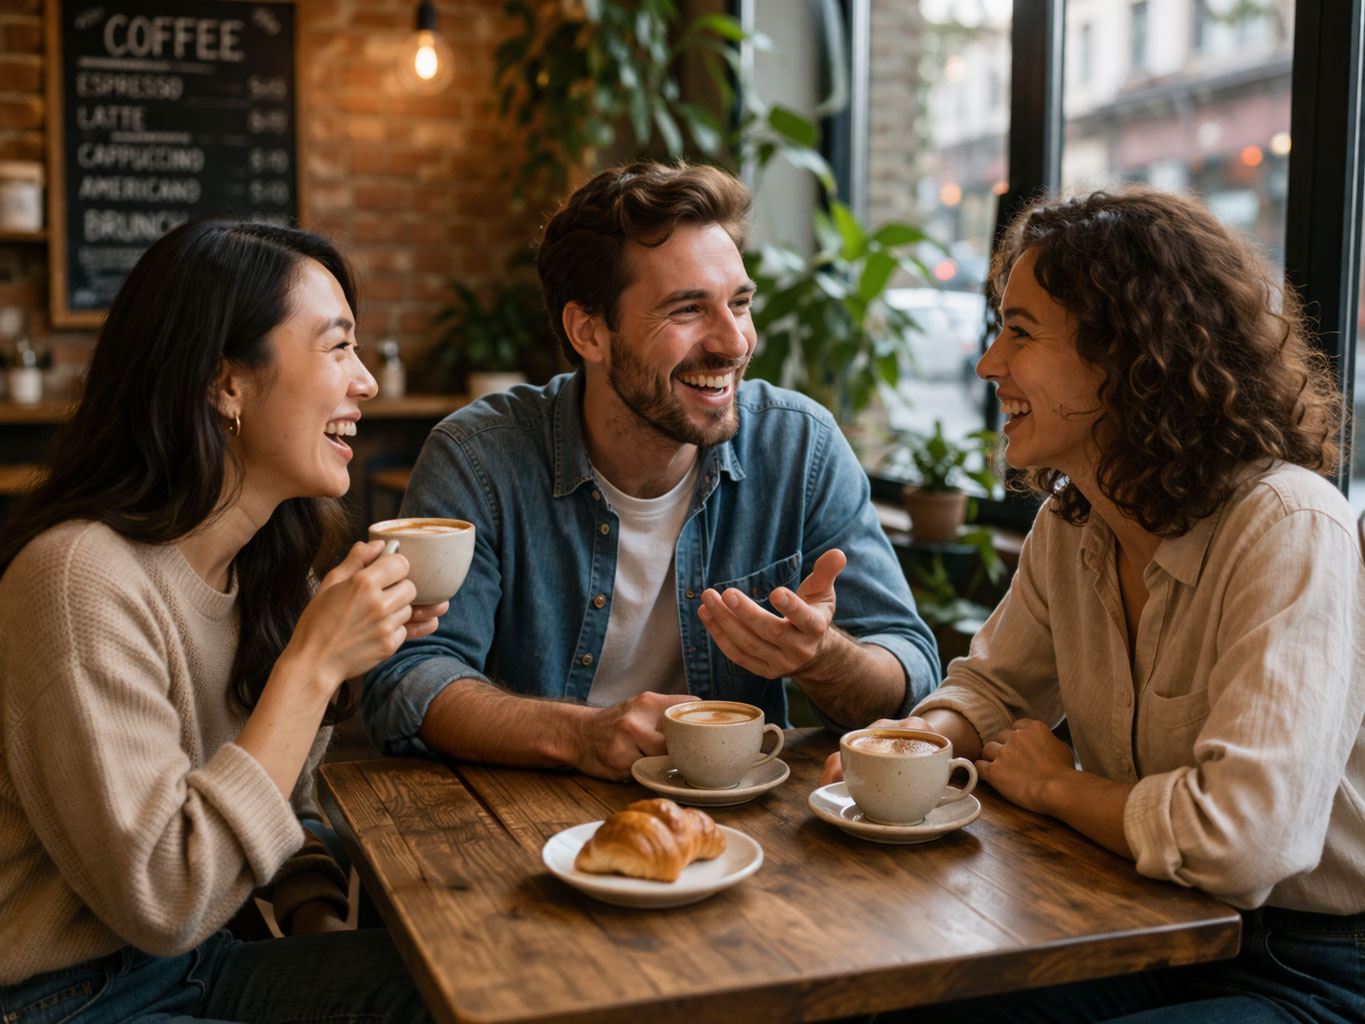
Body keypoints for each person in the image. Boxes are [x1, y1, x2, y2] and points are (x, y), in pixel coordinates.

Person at [825, 185, 1365, 1022]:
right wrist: (912, 743)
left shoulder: (1287, 525)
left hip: (1307, 962)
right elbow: (994, 690)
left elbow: (1244, 840)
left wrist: (1056, 789)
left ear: (1129, 353)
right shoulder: (1073, 519)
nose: (987, 364)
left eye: (1020, 330)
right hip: (1141, 919)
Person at [363, 161, 940, 779]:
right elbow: (408, 679)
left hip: (743, 829)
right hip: (520, 824)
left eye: (739, 303)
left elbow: (908, 671)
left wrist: (823, 656)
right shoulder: (480, 458)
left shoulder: (801, 448)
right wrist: (583, 736)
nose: (733, 343)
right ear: (589, 330)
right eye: (688, 310)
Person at [0, 220, 440, 1022]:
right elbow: (165, 896)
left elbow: (281, 807)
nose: (367, 382)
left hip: (204, 961)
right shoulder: (78, 578)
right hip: (64, 1000)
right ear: (225, 383)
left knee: (457, 983)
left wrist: (312, 913)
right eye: (337, 347)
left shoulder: (263, 570)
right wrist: (311, 668)